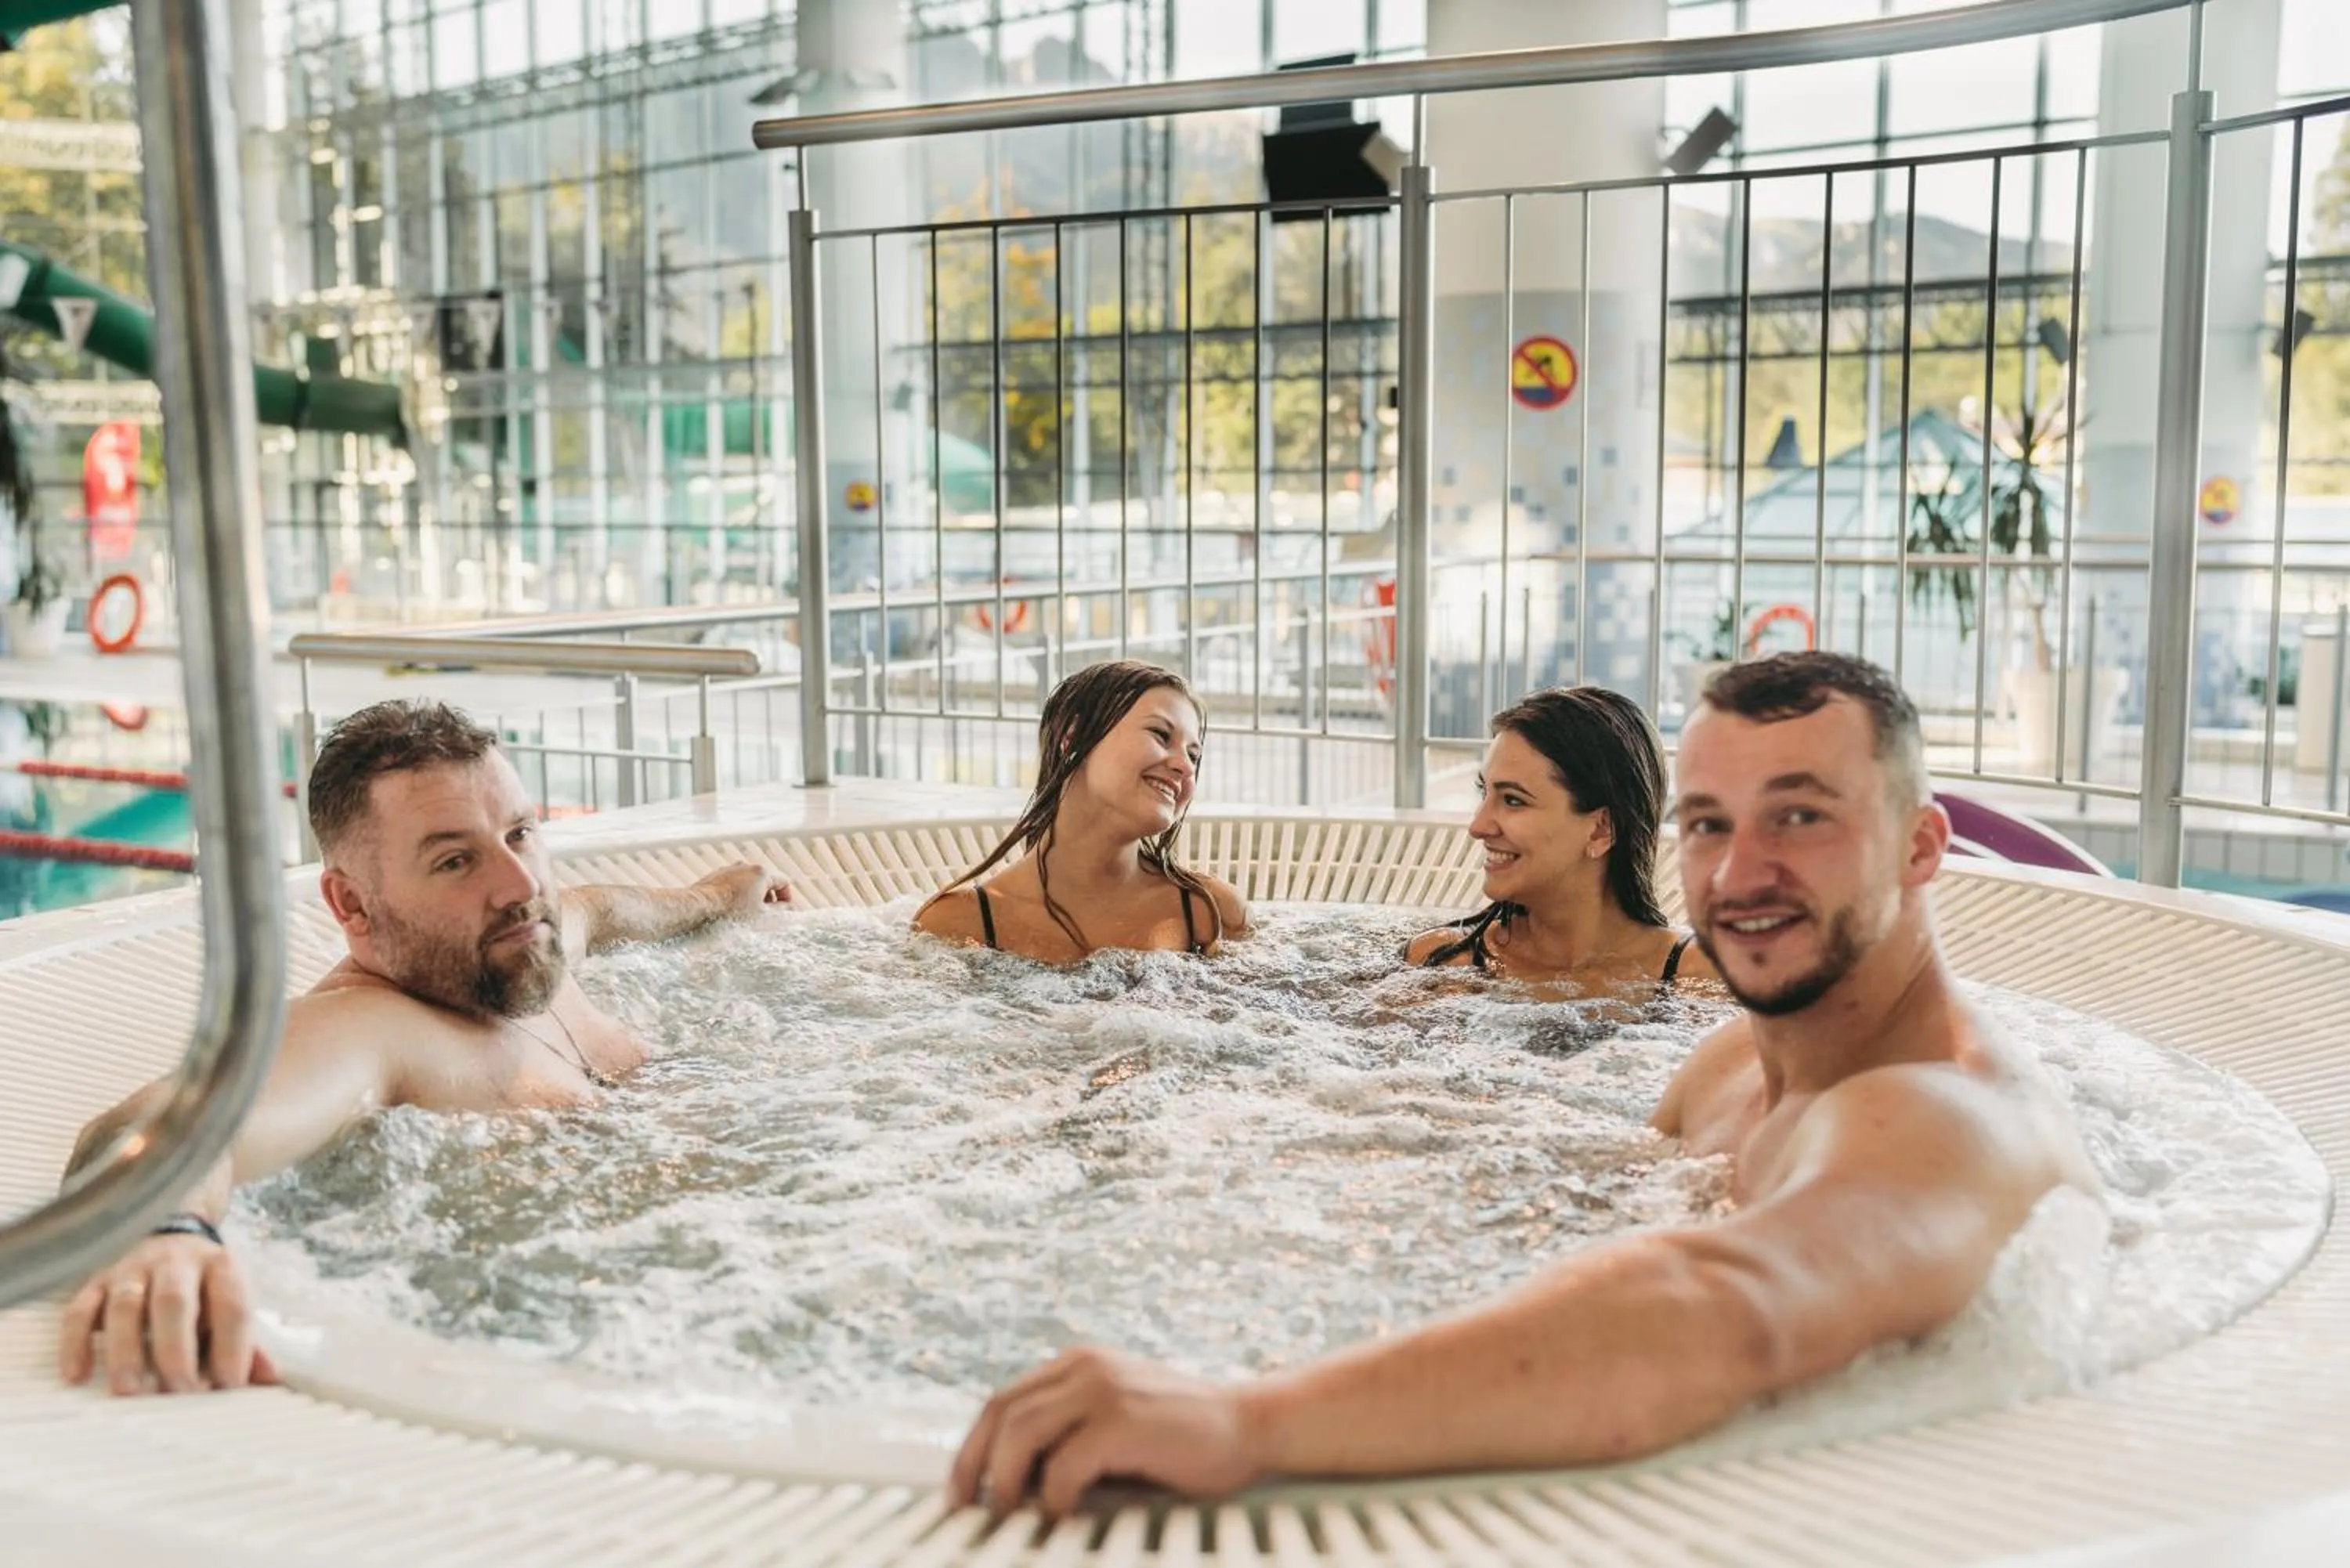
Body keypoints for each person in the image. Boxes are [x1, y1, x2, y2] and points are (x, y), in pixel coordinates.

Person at [946, 652, 2098, 1516]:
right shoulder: (1727, 1070)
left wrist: (1243, 1416)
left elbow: (1712, 1308)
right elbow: (1601, 1225)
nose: (1740, 871)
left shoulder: (1941, 1109)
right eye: (1708, 821)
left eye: (1802, 816)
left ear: (1921, 847)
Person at [56, 699, 790, 1397]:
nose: (518, 883)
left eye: (520, 833)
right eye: (454, 862)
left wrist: (720, 896)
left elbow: (600, 909)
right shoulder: (372, 1030)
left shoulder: (524, 944)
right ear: (351, 904)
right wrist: (168, 1226)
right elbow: (162, 1123)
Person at [915, 659, 1247, 962]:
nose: (1184, 767)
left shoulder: (1211, 913)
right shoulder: (958, 924)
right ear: (1073, 739)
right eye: (1161, 735)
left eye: (1194, 756)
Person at [1406, 685, 1717, 995]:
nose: (1478, 825)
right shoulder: (1441, 965)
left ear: (1600, 830)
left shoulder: (1696, 978)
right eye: (1484, 792)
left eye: (1513, 800)